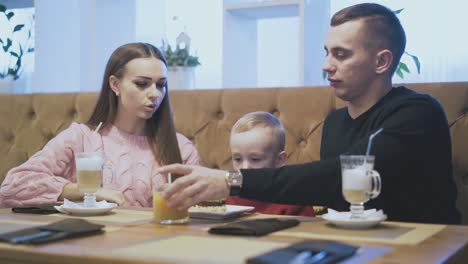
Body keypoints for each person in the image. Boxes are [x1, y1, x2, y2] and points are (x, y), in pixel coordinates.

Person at [155, 3, 460, 224]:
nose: (327, 65)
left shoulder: (416, 114)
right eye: (326, 53)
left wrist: (229, 179)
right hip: (353, 245)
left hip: (422, 247)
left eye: (341, 54)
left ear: (382, 62)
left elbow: (343, 176)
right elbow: (334, 198)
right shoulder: (336, 122)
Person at [0, 42, 200, 207]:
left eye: (161, 84)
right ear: (114, 85)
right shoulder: (80, 138)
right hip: (89, 247)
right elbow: (12, 187)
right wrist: (85, 190)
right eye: (142, 84)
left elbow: (205, 209)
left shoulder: (181, 148)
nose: (155, 93)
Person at [227, 111, 315, 216]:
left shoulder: (293, 197)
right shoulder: (232, 191)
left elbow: (308, 229)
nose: (244, 168)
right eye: (237, 159)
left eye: (255, 159)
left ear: (279, 160)